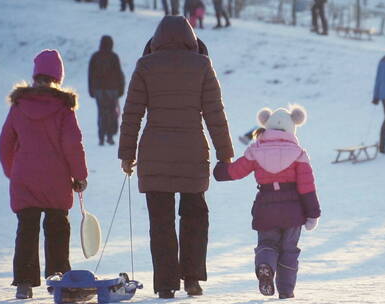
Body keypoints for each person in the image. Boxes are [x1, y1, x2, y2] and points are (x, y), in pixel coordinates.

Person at [118, 16, 234, 299]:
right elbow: (214, 113)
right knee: (195, 215)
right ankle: (193, 278)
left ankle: (166, 284)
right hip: (192, 152)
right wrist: (225, 153)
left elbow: (132, 113)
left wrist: (127, 154)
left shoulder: (145, 65)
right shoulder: (202, 65)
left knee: (161, 222)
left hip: (154, 154)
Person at [0, 49, 88, 299]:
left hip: (24, 179)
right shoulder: (63, 107)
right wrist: (79, 176)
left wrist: (12, 172)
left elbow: (4, 144)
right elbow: (73, 144)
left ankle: (25, 284)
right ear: (58, 76)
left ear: (35, 74)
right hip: (56, 181)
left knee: (26, 229)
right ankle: (58, 279)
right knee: (57, 227)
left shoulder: (19, 105)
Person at [213, 105, 321, 300]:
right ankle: (286, 292)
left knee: (267, 244)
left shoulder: (256, 149)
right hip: (293, 211)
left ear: (267, 125)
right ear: (292, 127)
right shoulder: (298, 153)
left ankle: (265, 266)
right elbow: (307, 187)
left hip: (266, 207)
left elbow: (235, 171)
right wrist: (313, 213)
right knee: (289, 250)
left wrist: (220, 171)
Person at [88, 35, 125, 146]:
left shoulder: (95, 56)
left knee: (101, 113)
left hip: (98, 90)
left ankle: (101, 138)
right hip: (112, 90)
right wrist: (121, 90)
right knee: (112, 113)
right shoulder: (113, 57)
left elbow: (90, 74)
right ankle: (110, 136)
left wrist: (91, 90)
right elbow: (119, 74)